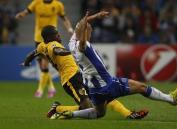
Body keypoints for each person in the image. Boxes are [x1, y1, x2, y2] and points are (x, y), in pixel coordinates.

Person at [49, 11, 177, 119]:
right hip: (107, 84)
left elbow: (80, 26)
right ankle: (170, 99)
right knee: (141, 87)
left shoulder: (71, 43)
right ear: (84, 33)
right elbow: (83, 42)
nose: (90, 32)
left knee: (99, 113)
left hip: (94, 89)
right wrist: (85, 30)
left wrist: (94, 16)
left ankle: (70, 114)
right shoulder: (80, 45)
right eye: (89, 30)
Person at [22, 12, 150, 120]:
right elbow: (57, 51)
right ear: (50, 37)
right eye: (57, 34)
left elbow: (34, 53)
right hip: (71, 79)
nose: (59, 36)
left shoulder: (42, 45)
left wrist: (27, 61)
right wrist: (69, 52)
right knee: (87, 108)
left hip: (79, 75)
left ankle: (128, 114)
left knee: (103, 96)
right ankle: (59, 109)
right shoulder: (52, 45)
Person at [15, 0, 74, 98]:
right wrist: (20, 15)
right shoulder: (36, 3)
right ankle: (51, 88)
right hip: (38, 37)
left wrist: (70, 29)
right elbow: (27, 11)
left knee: (44, 63)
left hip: (51, 38)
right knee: (42, 66)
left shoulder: (57, 4)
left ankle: (40, 90)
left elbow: (64, 18)